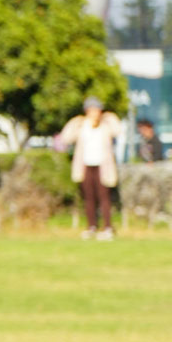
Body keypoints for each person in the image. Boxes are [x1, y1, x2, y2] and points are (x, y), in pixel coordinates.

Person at [57, 96, 122, 241]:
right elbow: (66, 137)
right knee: (89, 198)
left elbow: (118, 130)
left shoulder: (105, 126)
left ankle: (107, 227)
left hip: (103, 165)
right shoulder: (82, 126)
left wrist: (108, 117)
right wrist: (76, 121)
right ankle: (91, 226)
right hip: (86, 164)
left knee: (104, 197)